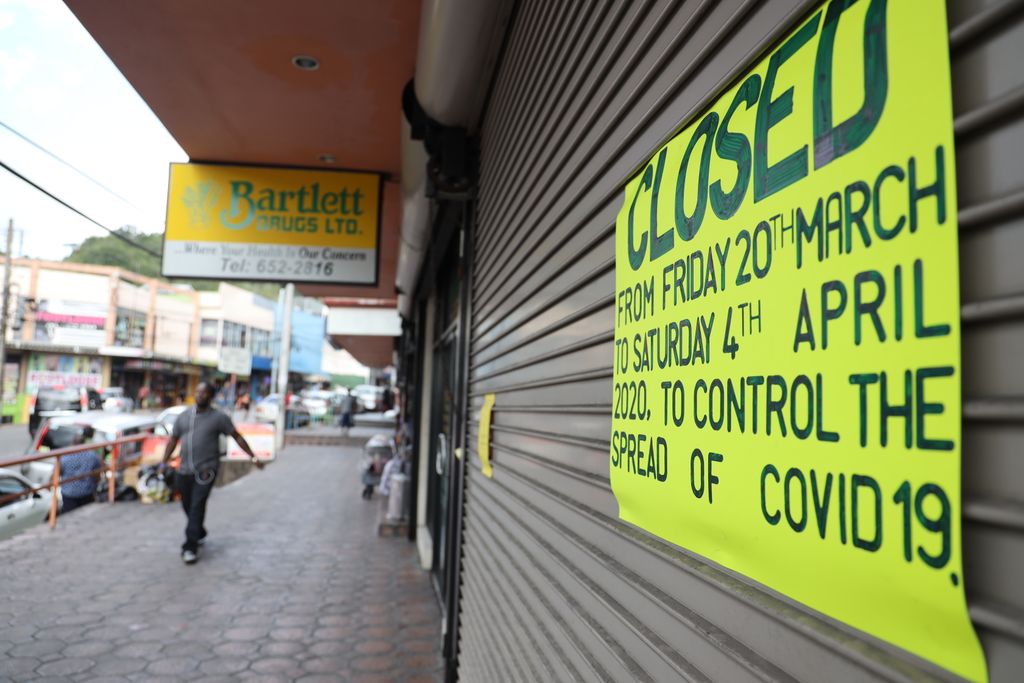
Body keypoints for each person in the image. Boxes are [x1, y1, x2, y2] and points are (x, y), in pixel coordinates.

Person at [160, 382, 264, 565]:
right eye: (198, 392)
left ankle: (189, 547)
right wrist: (164, 461)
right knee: (187, 505)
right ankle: (199, 531)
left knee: (197, 506)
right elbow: (173, 440)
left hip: (206, 470)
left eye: (204, 393)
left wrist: (253, 457)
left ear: (211, 396)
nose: (200, 395)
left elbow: (237, 437)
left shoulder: (218, 418)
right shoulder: (184, 417)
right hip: (184, 470)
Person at [59, 426, 102, 513]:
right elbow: (98, 474)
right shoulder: (92, 455)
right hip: (87, 492)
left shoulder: (64, 457)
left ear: (72, 444)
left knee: (70, 515)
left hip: (69, 494)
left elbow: (57, 472)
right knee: (86, 514)